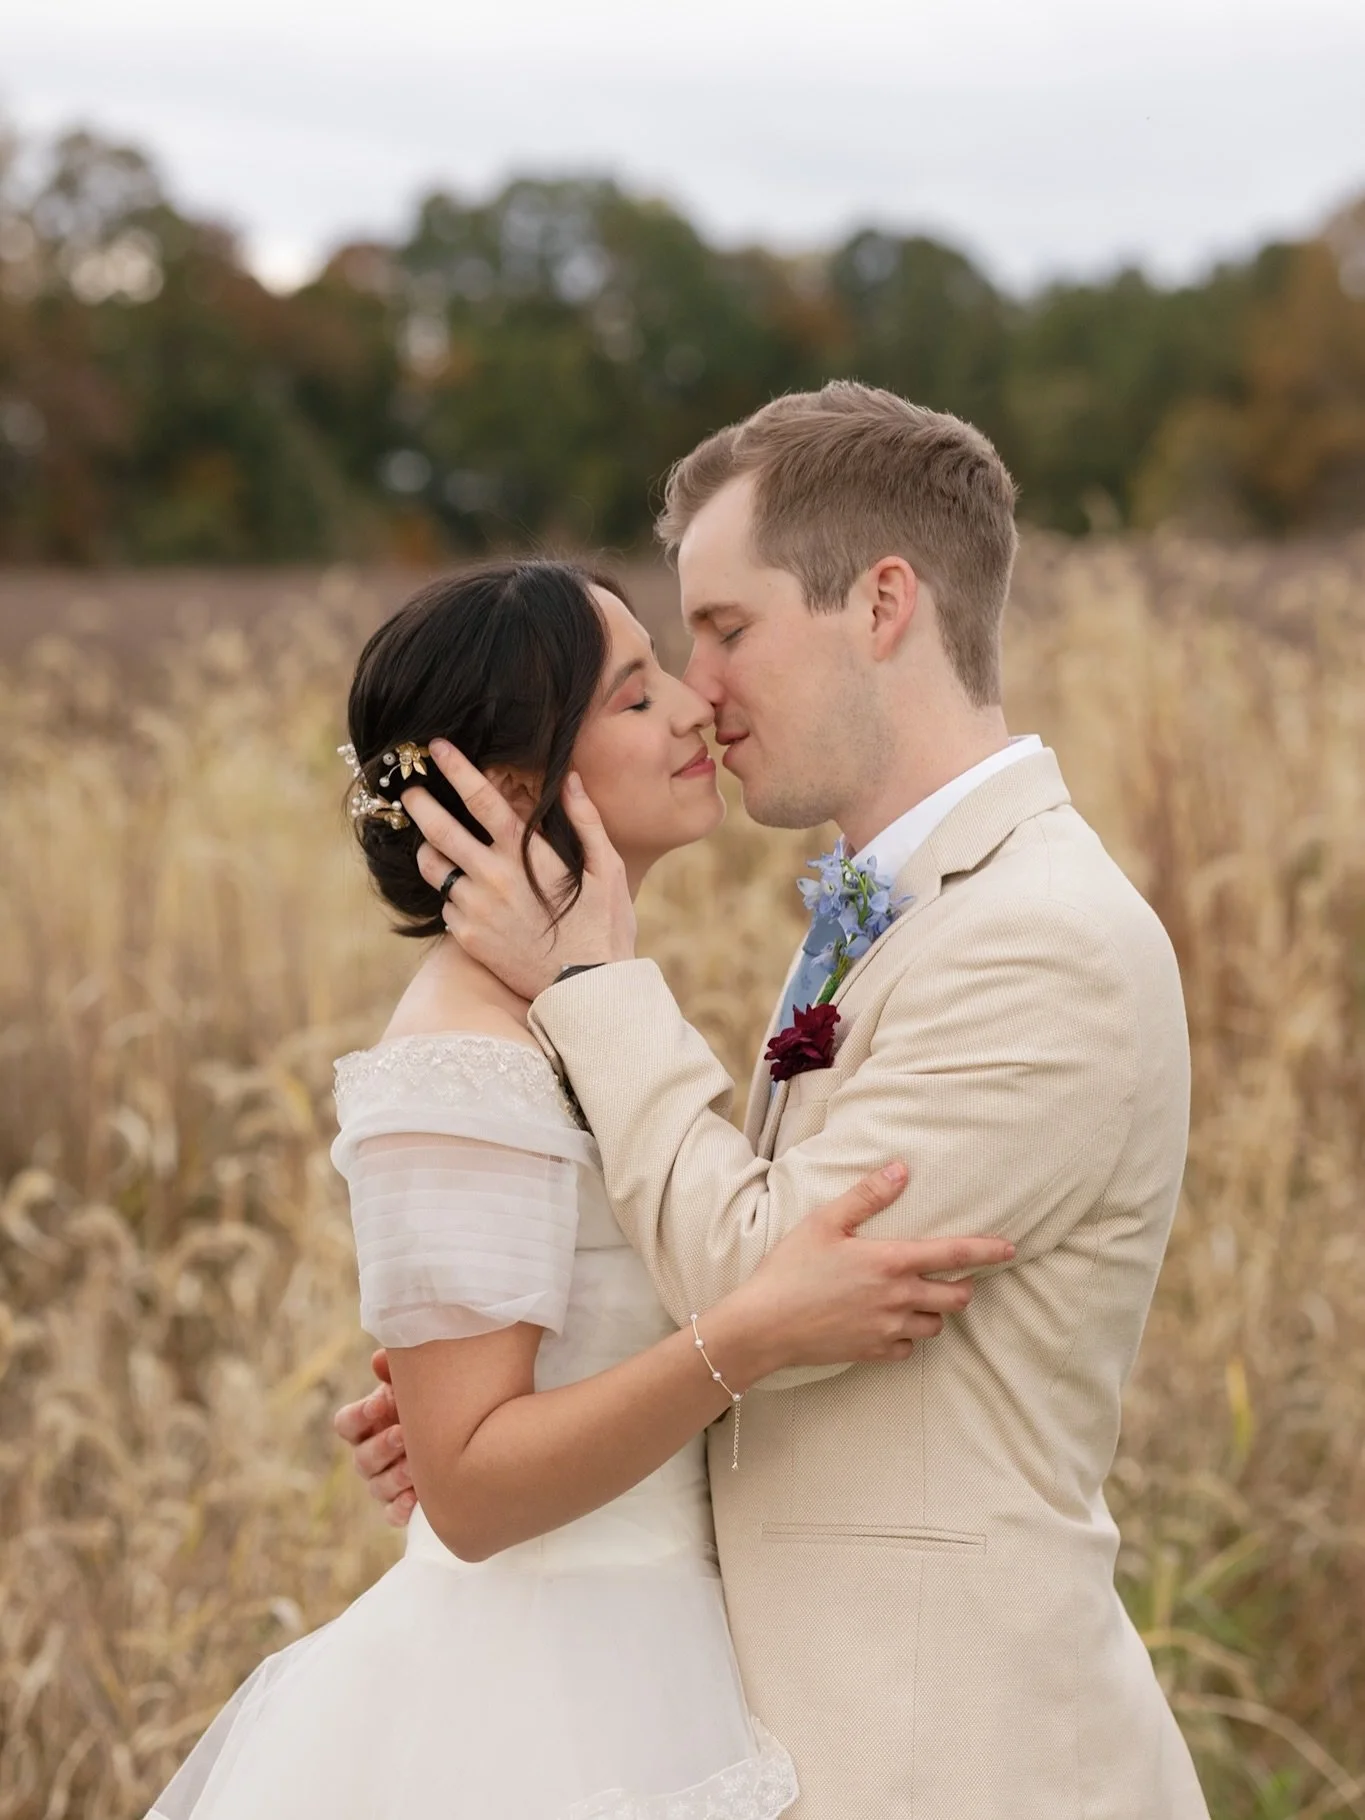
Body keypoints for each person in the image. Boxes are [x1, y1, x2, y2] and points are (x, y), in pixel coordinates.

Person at [342, 386, 1212, 1819]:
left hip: (954, 1759)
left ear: (881, 604)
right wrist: (522, 1397)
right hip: (740, 1729)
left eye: (727, 629)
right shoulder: (882, 911)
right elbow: (748, 1307)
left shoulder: (1040, 939)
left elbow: (763, 1281)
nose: (702, 692)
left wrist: (586, 977)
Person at [146, 558, 1011, 1820]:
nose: (692, 708)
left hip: (671, 1649)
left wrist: (543, 1390)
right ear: (509, 792)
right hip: (546, 1701)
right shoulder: (461, 1059)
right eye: (632, 695)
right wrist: (758, 1330)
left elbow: (515, 1409)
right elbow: (479, 1491)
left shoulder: (568, 1016)